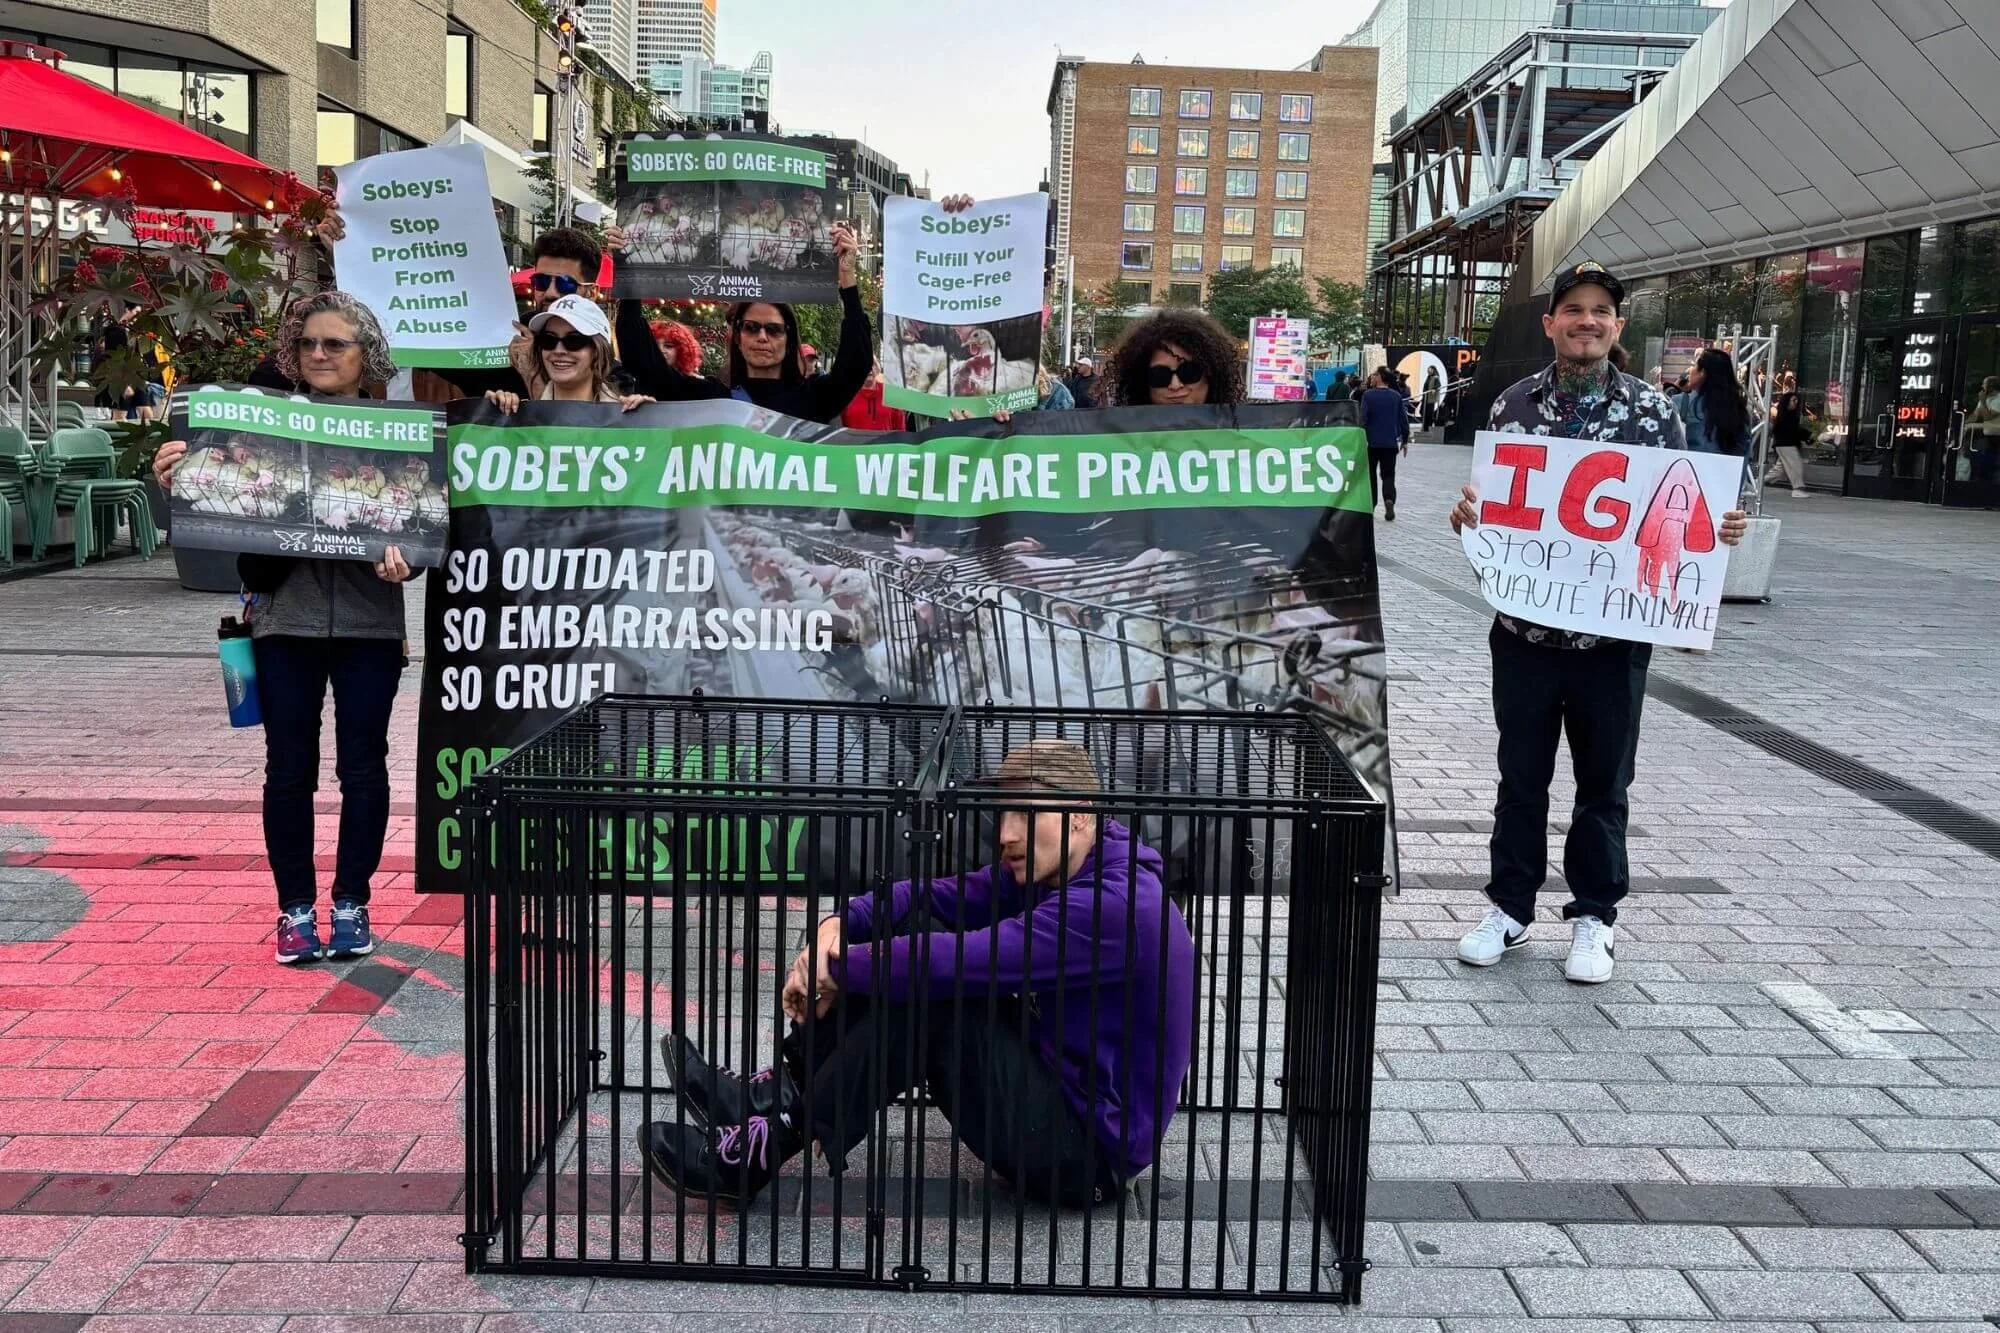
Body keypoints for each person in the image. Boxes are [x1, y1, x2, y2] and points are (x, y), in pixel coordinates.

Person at [638, 740, 1196, 1209]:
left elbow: (949, 963)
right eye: (1002, 814)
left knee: (934, 997)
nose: (1005, 833)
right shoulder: (1064, 866)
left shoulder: (1116, 906)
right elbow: (922, 897)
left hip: (1086, 1152)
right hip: (1050, 1079)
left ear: (1081, 811)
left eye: (1025, 813)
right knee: (920, 937)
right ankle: (774, 1095)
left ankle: (762, 1148)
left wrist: (834, 969)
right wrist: (838, 924)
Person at [1450, 261, 1748, 985]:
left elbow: (1682, 505)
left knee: (1603, 783)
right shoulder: (1511, 408)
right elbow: (1495, 514)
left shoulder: (1654, 413)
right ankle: (1510, 908)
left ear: (1617, 326)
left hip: (1612, 641)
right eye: (1573, 309)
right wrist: (1469, 520)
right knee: (1519, 777)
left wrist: (1719, 528)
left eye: (1601, 311)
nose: (1587, 320)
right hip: (1525, 634)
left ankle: (1594, 916)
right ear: (1551, 322)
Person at [151, 292, 419, 965]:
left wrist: (407, 564)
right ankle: (295, 910)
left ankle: (351, 903)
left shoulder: (399, 436)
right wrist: (172, 482)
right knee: (288, 768)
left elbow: (421, 533)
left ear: (367, 357)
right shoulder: (263, 427)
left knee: (364, 766)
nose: (320, 355)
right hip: (282, 619)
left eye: (335, 344)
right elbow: (218, 502)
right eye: (309, 344)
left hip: (369, 625)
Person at [612, 218, 876, 422]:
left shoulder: (813, 398)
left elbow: (856, 364)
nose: (762, 337)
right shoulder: (712, 398)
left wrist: (848, 281)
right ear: (737, 337)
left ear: (789, 337)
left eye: (774, 330)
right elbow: (644, 363)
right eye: (751, 328)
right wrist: (627, 270)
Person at [479, 294, 654, 412]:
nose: (559, 350)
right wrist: (492, 415)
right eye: (549, 340)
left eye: (574, 341)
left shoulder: (626, 418)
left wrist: (649, 420)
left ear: (597, 351)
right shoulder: (520, 418)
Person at [1104, 308, 1245, 407]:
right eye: (1160, 375)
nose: (1175, 385)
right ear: (1142, 383)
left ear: (1212, 376)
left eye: (1189, 372)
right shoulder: (1114, 443)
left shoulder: (1246, 442)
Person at [1677, 348, 1755, 492]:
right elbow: (1742, 460)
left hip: (1688, 488)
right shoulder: (1740, 412)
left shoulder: (1682, 403)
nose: (1690, 370)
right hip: (1722, 491)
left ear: (1703, 373)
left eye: (1694, 366)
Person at [1359, 367, 1409, 521]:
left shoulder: (1368, 395)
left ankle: (1371, 504)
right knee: (1388, 475)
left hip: (1371, 443)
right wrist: (1405, 440)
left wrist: (1360, 436)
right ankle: (1389, 499)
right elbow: (1403, 419)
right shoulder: (1396, 396)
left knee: (1370, 475)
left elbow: (1363, 419)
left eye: (1374, 375)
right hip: (1389, 443)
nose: (1372, 377)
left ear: (1380, 377)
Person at [1767, 370, 1814, 498]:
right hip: (1786, 444)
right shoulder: (1785, 417)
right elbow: (1794, 430)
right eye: (1793, 401)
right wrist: (1807, 436)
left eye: (1796, 401)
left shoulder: (1787, 416)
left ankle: (1761, 481)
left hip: (1785, 444)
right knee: (1795, 465)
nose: (1796, 403)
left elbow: (1795, 430)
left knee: (1781, 468)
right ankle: (1797, 489)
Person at [839, 360, 907, 431]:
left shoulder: (891, 393)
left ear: (878, 369)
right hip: (853, 441)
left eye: (873, 364)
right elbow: (837, 430)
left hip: (886, 442)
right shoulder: (845, 394)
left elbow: (901, 430)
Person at [1421, 365, 1442, 431]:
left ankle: (1428, 427)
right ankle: (1425, 427)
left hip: (1430, 399)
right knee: (1423, 411)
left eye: (1429, 369)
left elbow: (1438, 385)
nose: (1428, 370)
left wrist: (1434, 389)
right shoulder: (1428, 377)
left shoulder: (1436, 377)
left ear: (1433, 370)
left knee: (1429, 414)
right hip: (1425, 398)